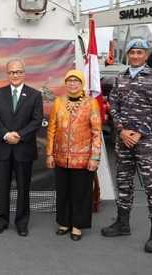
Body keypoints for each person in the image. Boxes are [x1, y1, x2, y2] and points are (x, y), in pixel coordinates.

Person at [101, 38, 152, 254]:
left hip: (146, 142)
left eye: (140, 52)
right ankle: (122, 224)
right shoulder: (120, 78)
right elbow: (113, 106)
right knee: (124, 183)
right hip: (123, 141)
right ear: (127, 55)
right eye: (132, 52)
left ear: (146, 55)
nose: (136, 56)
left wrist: (138, 133)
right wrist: (121, 130)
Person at [45, 69, 101, 241]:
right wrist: (49, 154)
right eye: (69, 80)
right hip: (60, 157)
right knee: (63, 192)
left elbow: (97, 132)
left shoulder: (91, 103)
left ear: (82, 83)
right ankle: (64, 222)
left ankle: (77, 225)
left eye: (76, 81)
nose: (72, 84)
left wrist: (95, 157)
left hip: (84, 159)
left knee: (80, 193)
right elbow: (51, 129)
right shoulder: (58, 102)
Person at [0, 58, 43, 237]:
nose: (15, 75)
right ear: (8, 74)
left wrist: (19, 135)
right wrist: (6, 134)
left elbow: (36, 121)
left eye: (18, 72)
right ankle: (1, 221)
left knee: (23, 188)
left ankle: (21, 223)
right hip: (3, 148)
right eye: (12, 72)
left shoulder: (35, 95)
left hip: (24, 149)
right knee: (2, 187)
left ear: (24, 73)